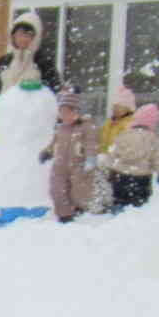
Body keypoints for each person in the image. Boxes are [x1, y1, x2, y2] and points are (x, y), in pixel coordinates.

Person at [0, 11, 62, 142]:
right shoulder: (4, 62)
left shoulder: (42, 62)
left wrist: (33, 89)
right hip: (6, 121)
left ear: (36, 37)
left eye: (28, 35)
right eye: (20, 34)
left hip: (31, 124)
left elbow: (53, 90)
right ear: (13, 35)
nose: (23, 38)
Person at [44, 88, 99, 224]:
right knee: (57, 189)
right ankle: (64, 214)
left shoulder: (86, 127)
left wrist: (90, 158)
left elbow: (91, 143)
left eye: (68, 112)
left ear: (77, 113)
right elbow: (54, 142)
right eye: (62, 112)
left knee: (79, 190)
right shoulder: (60, 128)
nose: (65, 116)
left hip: (78, 164)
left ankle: (78, 208)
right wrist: (47, 152)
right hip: (60, 164)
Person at [99, 102, 159, 211]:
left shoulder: (124, 134)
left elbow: (113, 152)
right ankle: (137, 214)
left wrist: (109, 168)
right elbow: (158, 157)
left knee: (119, 198)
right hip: (142, 176)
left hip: (121, 174)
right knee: (140, 202)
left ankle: (118, 210)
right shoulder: (152, 138)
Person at [98, 83, 137, 155]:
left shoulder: (130, 124)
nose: (115, 109)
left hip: (119, 159)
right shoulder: (109, 122)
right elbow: (102, 139)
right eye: (114, 106)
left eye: (118, 107)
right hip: (106, 158)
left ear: (127, 109)